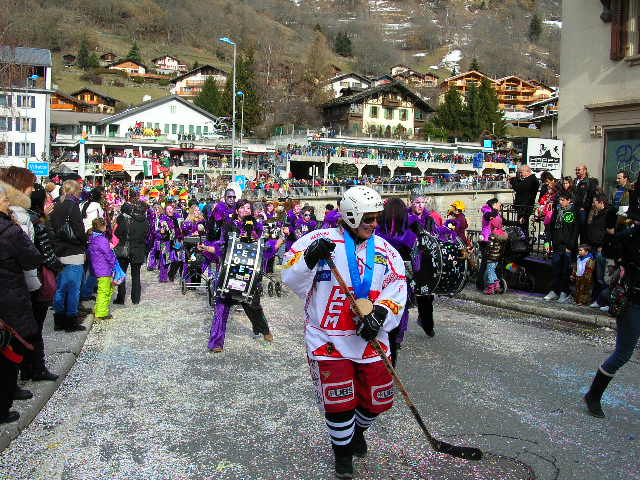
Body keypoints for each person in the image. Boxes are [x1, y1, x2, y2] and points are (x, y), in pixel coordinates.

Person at [282, 186, 407, 480]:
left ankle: (356, 432)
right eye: (368, 218)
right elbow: (289, 276)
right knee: (339, 403)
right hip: (327, 338)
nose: (374, 224)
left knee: (377, 400)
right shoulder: (317, 240)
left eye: (376, 218)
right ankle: (342, 454)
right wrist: (309, 259)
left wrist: (381, 313)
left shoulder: (386, 251)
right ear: (351, 216)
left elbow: (397, 286)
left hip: (370, 338)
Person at [583, 189, 640, 418]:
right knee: (623, 354)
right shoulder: (629, 237)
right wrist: (614, 224)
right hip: (633, 301)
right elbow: (610, 249)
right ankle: (593, 395)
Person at [200, 199, 274, 352]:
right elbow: (222, 247)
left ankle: (263, 329)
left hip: (249, 273)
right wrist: (207, 248)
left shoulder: (257, 226)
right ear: (237, 210)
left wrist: (277, 242)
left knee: (253, 307)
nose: (247, 210)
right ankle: (216, 343)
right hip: (230, 272)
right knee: (221, 308)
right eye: (243, 208)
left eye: (249, 208)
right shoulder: (228, 226)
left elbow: (262, 249)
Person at [0, 182, 43, 424]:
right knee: (10, 346)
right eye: (5, 201)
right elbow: (32, 257)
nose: (8, 204)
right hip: (9, 294)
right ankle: (4, 402)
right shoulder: (10, 230)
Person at [49, 180, 88, 332]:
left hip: (58, 250)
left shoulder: (55, 204)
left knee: (60, 288)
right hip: (73, 250)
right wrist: (84, 243)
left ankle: (59, 319)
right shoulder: (73, 206)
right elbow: (79, 230)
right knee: (73, 288)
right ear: (75, 191)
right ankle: (71, 320)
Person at [114, 195, 150, 305]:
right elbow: (146, 236)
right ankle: (136, 299)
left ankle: (121, 298)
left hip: (126, 249)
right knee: (136, 276)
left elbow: (118, 233)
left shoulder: (127, 219)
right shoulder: (146, 222)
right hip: (138, 250)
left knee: (122, 274)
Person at [543, 192, 579, 303]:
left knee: (565, 271)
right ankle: (554, 291)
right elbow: (550, 228)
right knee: (556, 270)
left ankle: (564, 291)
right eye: (560, 200)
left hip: (566, 246)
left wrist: (570, 246)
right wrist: (547, 242)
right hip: (556, 245)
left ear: (569, 200)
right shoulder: (556, 211)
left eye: (563, 200)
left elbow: (574, 231)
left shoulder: (572, 212)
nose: (560, 202)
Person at [87, 218, 116, 320]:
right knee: (105, 291)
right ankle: (101, 313)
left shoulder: (92, 238)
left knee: (103, 290)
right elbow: (108, 254)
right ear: (103, 227)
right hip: (104, 268)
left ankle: (99, 309)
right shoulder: (102, 240)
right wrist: (114, 264)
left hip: (98, 267)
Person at [509, 165, 540, 237]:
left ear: (527, 171)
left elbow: (518, 188)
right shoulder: (530, 179)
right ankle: (523, 239)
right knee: (522, 226)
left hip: (525, 207)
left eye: (521, 172)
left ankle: (524, 240)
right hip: (523, 206)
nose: (520, 174)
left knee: (523, 226)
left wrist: (513, 180)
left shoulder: (531, 180)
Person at [573, 164, 599, 242]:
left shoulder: (590, 182)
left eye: (579, 170)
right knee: (574, 231)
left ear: (585, 170)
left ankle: (583, 248)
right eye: (576, 170)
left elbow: (591, 195)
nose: (577, 171)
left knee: (583, 231)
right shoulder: (574, 181)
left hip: (583, 210)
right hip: (574, 209)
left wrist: (584, 207)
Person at [484, 214, 508, 295]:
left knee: (490, 271)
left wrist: (486, 253)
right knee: (493, 271)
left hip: (491, 257)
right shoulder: (502, 234)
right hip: (498, 257)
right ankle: (497, 285)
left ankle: (491, 288)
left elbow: (490, 246)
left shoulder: (493, 235)